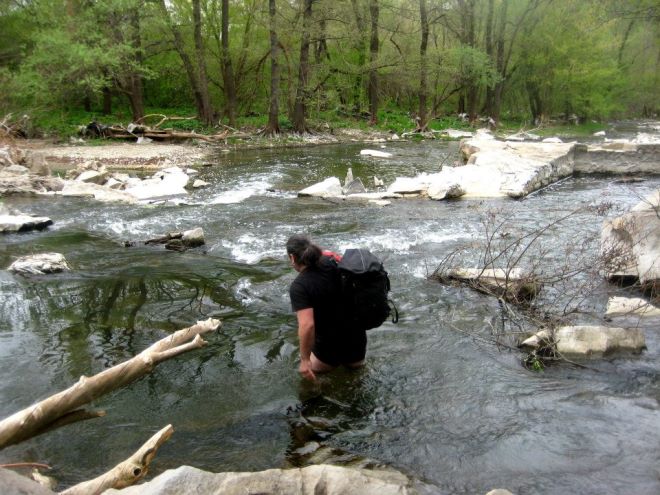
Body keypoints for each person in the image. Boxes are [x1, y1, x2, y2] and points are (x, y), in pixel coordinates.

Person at [286, 234, 367, 381]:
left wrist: (305, 360)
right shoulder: (333, 261)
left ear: (292, 258)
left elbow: (307, 325)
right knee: (356, 380)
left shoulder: (299, 286)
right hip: (357, 340)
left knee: (308, 381)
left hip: (328, 350)